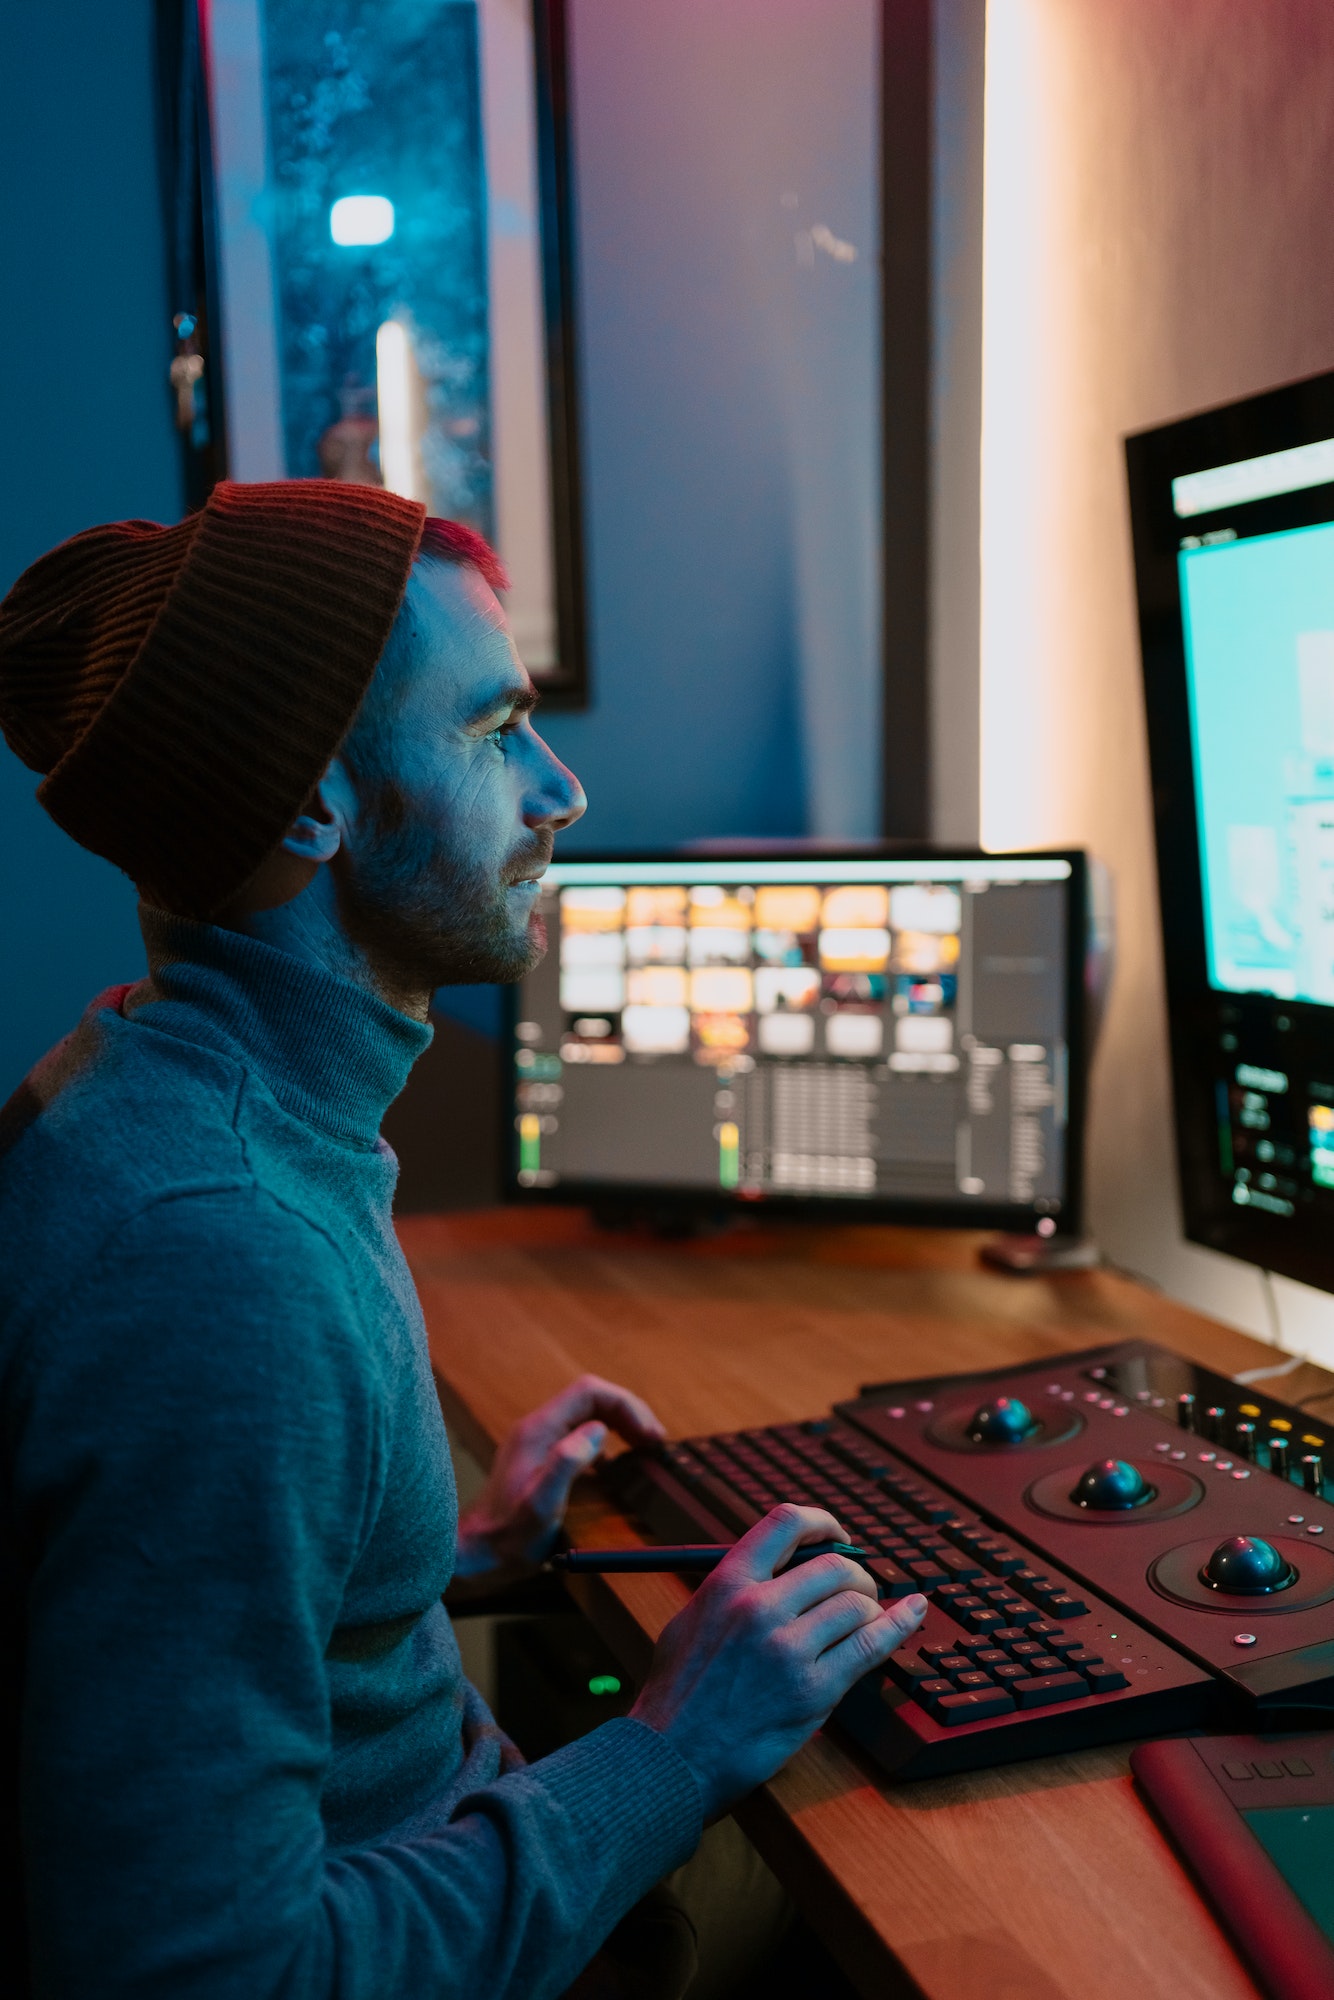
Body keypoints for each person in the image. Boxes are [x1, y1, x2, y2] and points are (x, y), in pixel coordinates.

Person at [0, 481, 925, 1998]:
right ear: (313, 801)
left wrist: (442, 1550)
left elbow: (195, 1603)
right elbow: (193, 1974)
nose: (559, 792)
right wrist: (665, 1749)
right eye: (496, 733)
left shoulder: (162, 1087)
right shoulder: (218, 1256)